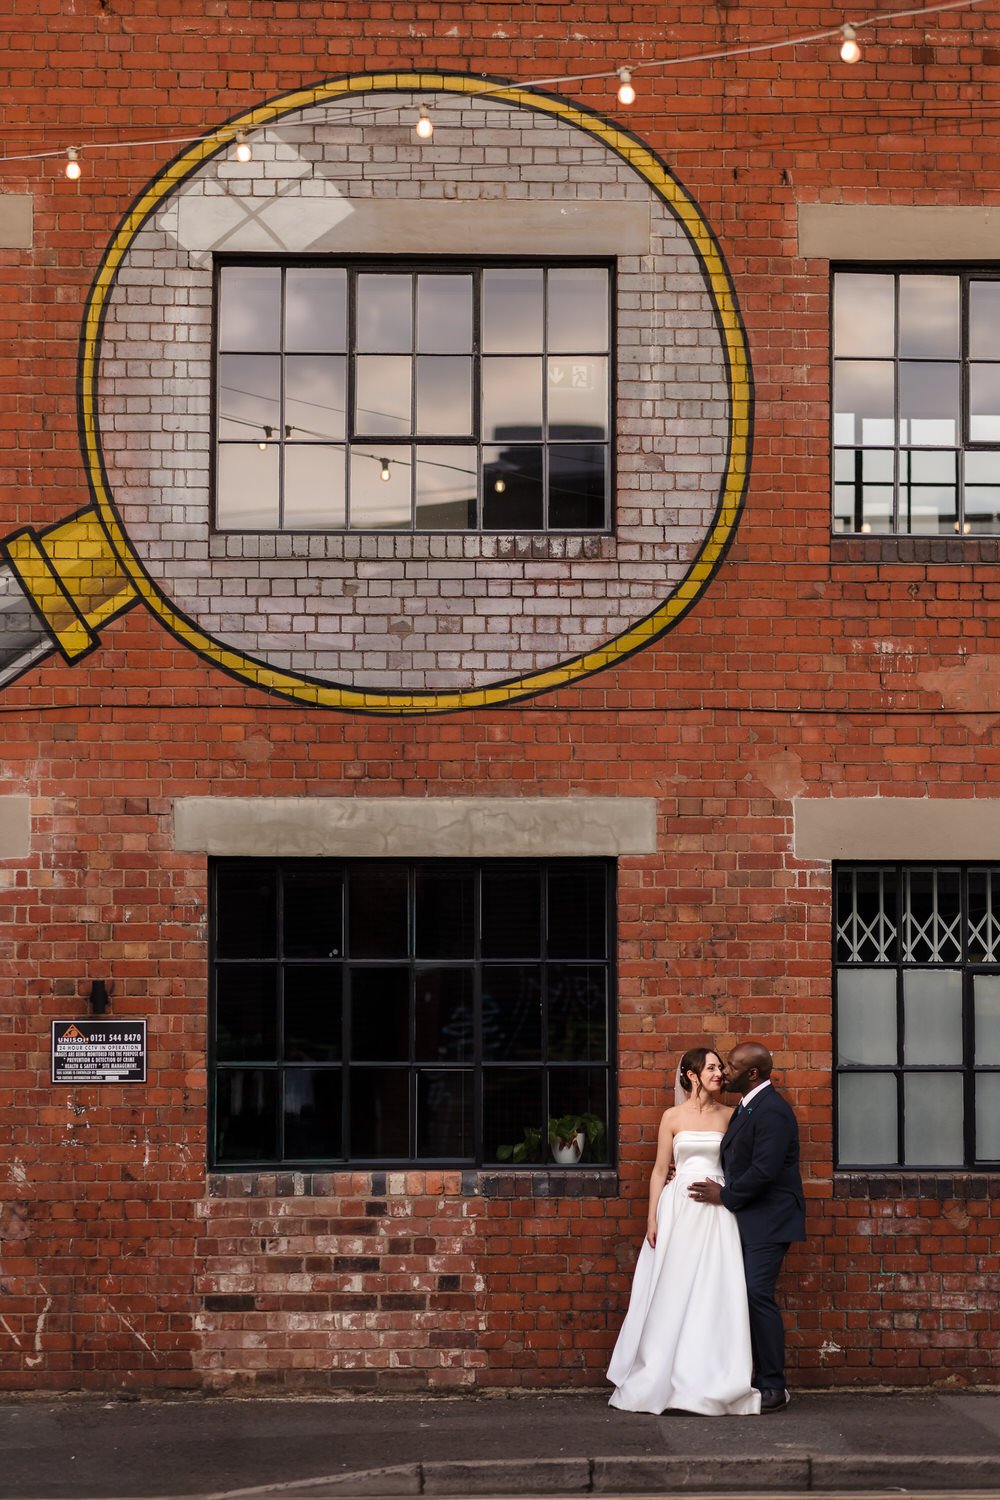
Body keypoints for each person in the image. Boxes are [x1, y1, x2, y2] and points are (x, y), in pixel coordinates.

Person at [606, 1045, 760, 1416]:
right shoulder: (671, 1117)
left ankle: (709, 1376)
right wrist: (652, 1218)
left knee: (714, 1288)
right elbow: (660, 1170)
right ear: (692, 1075)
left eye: (719, 1069)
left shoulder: (731, 1115)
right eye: (710, 1068)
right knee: (672, 1288)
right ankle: (660, 1374)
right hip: (678, 1209)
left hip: (716, 1209)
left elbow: (740, 1164)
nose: (719, 1074)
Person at [688, 1040, 806, 1413]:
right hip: (751, 1218)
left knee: (757, 1295)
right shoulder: (748, 1105)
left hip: (770, 1220)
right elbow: (736, 1159)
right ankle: (746, 1377)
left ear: (752, 1073)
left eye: (732, 1068)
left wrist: (725, 1196)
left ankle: (773, 1385)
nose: (725, 1073)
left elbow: (764, 1171)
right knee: (745, 1296)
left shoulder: (772, 1111)